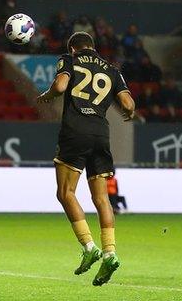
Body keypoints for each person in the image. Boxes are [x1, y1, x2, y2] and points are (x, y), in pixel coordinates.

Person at [37, 32, 135, 286]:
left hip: (75, 131)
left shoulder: (69, 60)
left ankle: (89, 246)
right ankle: (110, 252)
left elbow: (60, 87)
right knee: (102, 198)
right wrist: (130, 112)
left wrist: (48, 95)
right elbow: (128, 102)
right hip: (101, 133)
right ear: (92, 47)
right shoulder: (112, 69)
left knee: (66, 192)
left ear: (73, 49)